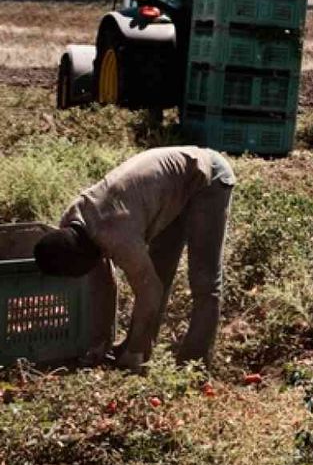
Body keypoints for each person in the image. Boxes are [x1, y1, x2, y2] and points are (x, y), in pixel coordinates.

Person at [32, 146, 237, 370]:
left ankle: (194, 363)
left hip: (206, 177)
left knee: (204, 279)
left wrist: (134, 352)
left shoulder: (118, 236)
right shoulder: (73, 220)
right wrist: (101, 341)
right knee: (157, 270)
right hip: (170, 188)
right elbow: (103, 282)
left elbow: (149, 292)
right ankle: (139, 348)